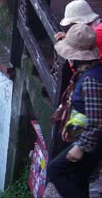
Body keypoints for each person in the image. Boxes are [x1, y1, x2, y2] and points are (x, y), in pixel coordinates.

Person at [46, 24, 102, 198]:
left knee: (54, 169)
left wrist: (80, 146)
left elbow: (95, 120)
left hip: (91, 141)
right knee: (80, 178)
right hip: (93, 140)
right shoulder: (94, 70)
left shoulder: (90, 79)